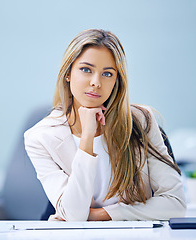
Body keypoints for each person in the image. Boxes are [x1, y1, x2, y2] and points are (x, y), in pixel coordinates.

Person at [24, 29, 186, 221]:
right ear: (68, 73)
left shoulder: (141, 121)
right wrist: (87, 138)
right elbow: (75, 216)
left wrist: (104, 214)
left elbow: (175, 204)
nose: (96, 82)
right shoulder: (40, 137)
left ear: (117, 81)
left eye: (107, 74)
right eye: (86, 70)